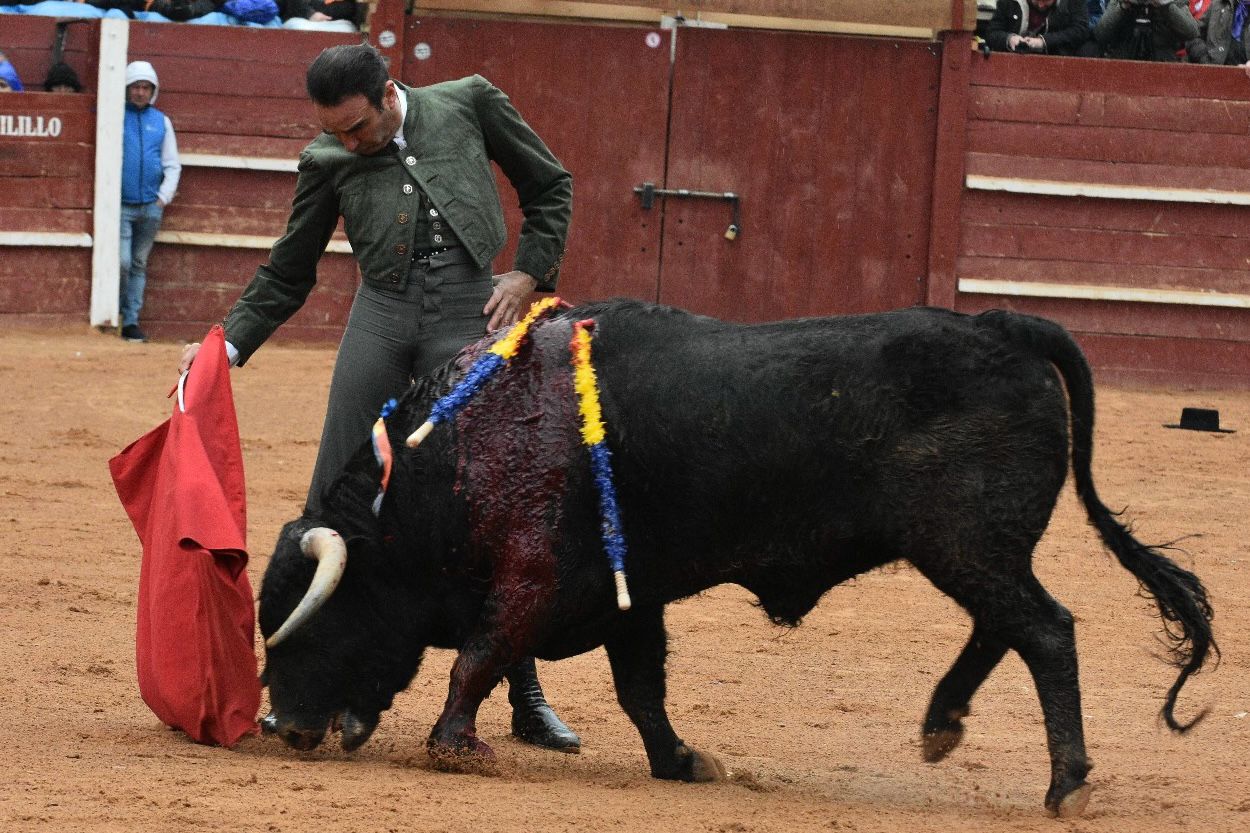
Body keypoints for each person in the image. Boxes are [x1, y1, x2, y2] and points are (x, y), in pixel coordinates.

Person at [177, 43, 578, 752]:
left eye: (357, 127)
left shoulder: (469, 101)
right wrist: (226, 346)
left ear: (390, 93)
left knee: (487, 504)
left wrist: (528, 274)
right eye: (334, 131)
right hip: (382, 318)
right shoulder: (327, 159)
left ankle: (521, 691)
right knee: (331, 494)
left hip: (471, 312)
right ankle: (304, 681)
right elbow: (288, 271)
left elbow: (550, 186)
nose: (348, 142)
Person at [119, 61, 180, 344]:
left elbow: (172, 164)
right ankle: (118, 312)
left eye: (145, 87)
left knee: (139, 263)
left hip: (150, 207)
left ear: (152, 91)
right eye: (136, 87)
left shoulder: (162, 121)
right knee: (123, 262)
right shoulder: (115, 116)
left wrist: (162, 198)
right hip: (121, 205)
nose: (140, 92)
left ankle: (131, 321)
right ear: (127, 89)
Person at [1094, 0, 1201, 60]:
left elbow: (1191, 32)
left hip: (1162, 61)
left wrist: (1165, 6)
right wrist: (1123, 6)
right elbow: (1101, 33)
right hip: (1124, 58)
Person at [985, 0, 1100, 55]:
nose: (1040, 5)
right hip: (1012, 61)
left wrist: (1043, 42)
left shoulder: (1072, 3)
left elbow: (1080, 30)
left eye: (1046, 1)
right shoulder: (1009, 2)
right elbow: (992, 32)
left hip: (1057, 60)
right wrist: (1010, 39)